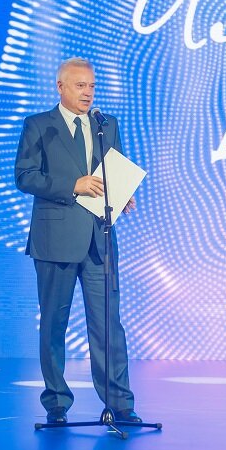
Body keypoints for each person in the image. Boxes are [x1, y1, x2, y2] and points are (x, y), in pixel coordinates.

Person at [15, 57, 141, 424]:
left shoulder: (106, 125)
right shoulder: (39, 125)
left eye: (91, 86)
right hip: (55, 239)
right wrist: (73, 185)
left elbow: (113, 170)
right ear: (61, 87)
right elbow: (25, 176)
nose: (88, 93)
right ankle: (56, 402)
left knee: (108, 324)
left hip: (99, 239)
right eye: (80, 86)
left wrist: (121, 193)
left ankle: (120, 403)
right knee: (54, 324)